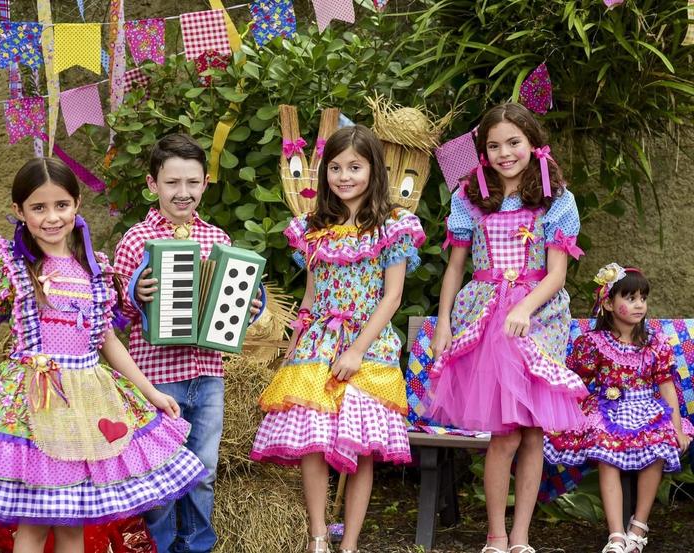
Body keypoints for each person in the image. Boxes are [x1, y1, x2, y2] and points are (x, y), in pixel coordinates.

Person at [0, 157, 207, 553]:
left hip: (86, 405)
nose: (51, 217)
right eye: (38, 207)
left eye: (61, 205)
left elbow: (108, 340)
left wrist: (150, 392)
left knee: (73, 524)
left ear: (77, 204)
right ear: (19, 211)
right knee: (33, 525)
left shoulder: (97, 269)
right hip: (34, 402)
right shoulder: (12, 266)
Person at [251, 125, 425, 553]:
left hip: (368, 344)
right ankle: (317, 537)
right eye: (335, 168)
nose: (344, 176)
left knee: (361, 444)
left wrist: (357, 350)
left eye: (355, 167)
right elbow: (311, 293)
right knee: (313, 438)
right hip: (317, 341)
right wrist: (294, 340)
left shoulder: (392, 226)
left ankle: (348, 543)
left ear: (374, 171)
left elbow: (393, 296)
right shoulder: (314, 227)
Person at [426, 103, 588, 553]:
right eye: (494, 145)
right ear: (483, 153)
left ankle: (521, 536)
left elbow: (556, 273)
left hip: (539, 317)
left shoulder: (557, 198)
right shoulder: (469, 198)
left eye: (513, 142)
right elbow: (455, 268)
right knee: (506, 431)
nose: (504, 152)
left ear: (534, 144)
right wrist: (443, 322)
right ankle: (496, 535)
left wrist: (526, 307)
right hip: (485, 316)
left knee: (533, 430)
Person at [113, 133, 261, 553]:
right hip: (156, 378)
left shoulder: (219, 240)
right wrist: (134, 297)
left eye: (192, 183)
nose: (183, 192)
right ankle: (155, 547)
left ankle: (196, 547)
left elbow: (231, 310)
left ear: (206, 182)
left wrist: (244, 310)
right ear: (152, 184)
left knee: (203, 470)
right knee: (157, 472)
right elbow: (115, 320)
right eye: (172, 183)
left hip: (208, 376)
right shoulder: (135, 240)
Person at [544, 264, 694, 553]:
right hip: (606, 410)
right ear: (609, 304)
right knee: (605, 451)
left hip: (647, 409)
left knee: (661, 443)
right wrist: (563, 417)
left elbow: (665, 387)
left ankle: (638, 526)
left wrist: (676, 427)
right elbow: (579, 384)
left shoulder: (655, 343)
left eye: (642, 298)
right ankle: (616, 534)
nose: (639, 304)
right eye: (630, 298)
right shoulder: (593, 343)